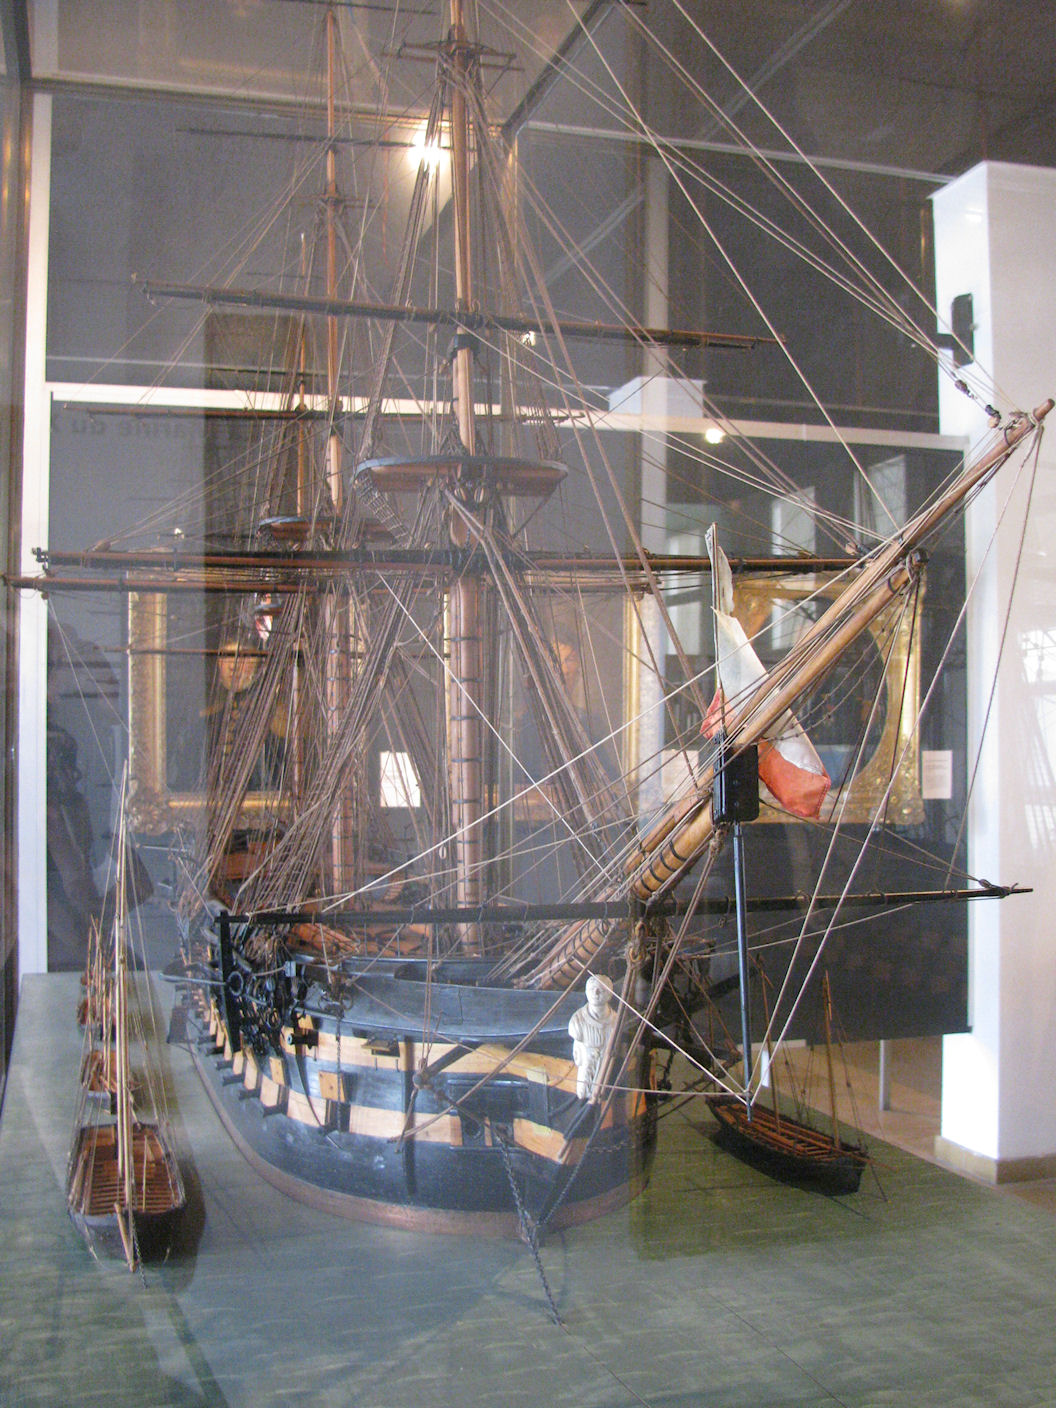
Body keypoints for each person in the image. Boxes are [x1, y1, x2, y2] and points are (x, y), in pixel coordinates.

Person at [567, 973, 617, 1100]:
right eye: (592, 989)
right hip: (587, 1069)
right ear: (586, 992)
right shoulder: (577, 1021)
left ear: (610, 994)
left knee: (604, 1095)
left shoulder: (616, 1020)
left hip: (607, 1071)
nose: (596, 993)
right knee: (583, 1093)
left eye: (601, 989)